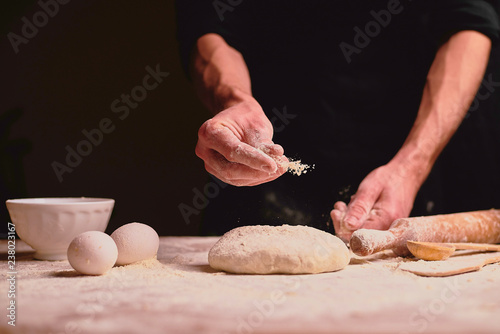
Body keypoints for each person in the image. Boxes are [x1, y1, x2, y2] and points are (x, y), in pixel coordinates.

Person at [176, 1, 500, 238]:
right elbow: (209, 25)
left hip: (410, 148)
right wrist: (235, 100)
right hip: (264, 153)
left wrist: (412, 165)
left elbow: (469, 23)